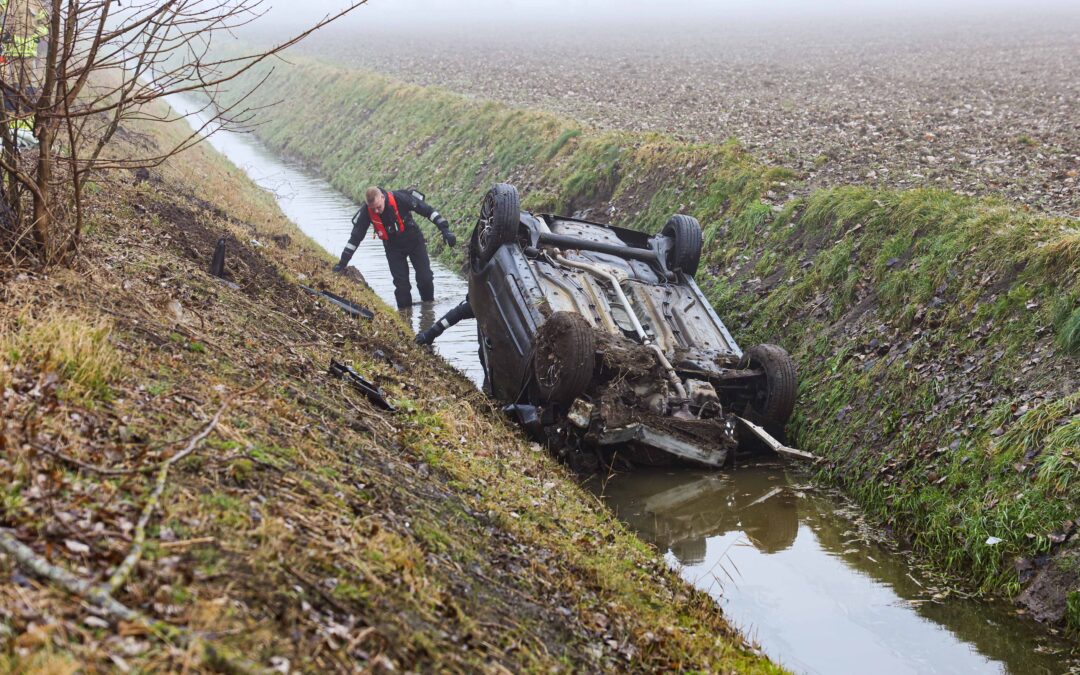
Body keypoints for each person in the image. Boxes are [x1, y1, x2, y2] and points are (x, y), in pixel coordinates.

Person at [333, 186, 456, 309]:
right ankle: (405, 318)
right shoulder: (367, 212)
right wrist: (342, 262)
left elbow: (428, 211)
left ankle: (428, 311)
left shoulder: (400, 198)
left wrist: (445, 230)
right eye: (373, 208)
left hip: (414, 242)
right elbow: (355, 238)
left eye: (378, 207)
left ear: (382, 197)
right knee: (402, 287)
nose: (376, 211)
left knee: (425, 279)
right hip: (393, 248)